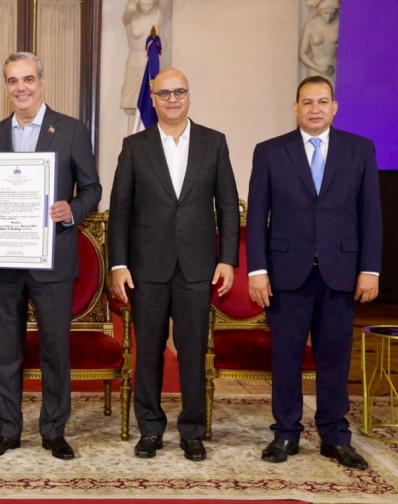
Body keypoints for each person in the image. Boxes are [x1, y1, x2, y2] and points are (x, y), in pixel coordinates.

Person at [248, 75, 382, 470]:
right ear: (295, 108)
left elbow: (370, 214)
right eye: (307, 102)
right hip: (286, 274)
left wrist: (370, 269)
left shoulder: (360, 150)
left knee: (335, 359)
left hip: (341, 273)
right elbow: (256, 217)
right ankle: (286, 433)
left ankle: (334, 436)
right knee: (286, 358)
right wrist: (258, 270)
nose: (315, 108)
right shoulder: (270, 152)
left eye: (322, 101)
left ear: (334, 107)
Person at [109, 68, 239, 461]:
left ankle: (193, 431)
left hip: (198, 268)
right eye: (164, 93)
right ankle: (150, 429)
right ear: (153, 99)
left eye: (179, 91)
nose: (172, 99)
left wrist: (227, 259)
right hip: (147, 267)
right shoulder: (135, 146)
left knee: (192, 351)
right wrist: (118, 264)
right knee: (148, 351)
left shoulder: (214, 143)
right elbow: (120, 211)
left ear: (188, 95)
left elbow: (227, 206)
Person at [0, 52, 101, 461]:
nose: (21, 88)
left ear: (41, 83)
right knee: (5, 349)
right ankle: (7, 430)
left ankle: (54, 430)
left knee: (54, 349)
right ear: (6, 87)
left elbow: (93, 189)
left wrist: (72, 209)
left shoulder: (71, 130)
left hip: (53, 260)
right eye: (13, 81)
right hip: (6, 260)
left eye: (28, 79)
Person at [121, 0, 170, 128]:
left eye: (149, 4)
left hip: (153, 64)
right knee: (131, 106)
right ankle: (133, 138)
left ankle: (154, 138)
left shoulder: (158, 13)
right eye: (143, 4)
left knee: (156, 103)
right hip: (134, 62)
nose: (147, 7)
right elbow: (130, 9)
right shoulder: (131, 14)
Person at [299, 0, 339, 87]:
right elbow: (302, 54)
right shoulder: (311, 25)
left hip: (334, 71)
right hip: (315, 70)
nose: (328, 17)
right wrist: (318, 68)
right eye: (325, 13)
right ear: (320, 10)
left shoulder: (339, 24)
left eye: (332, 13)